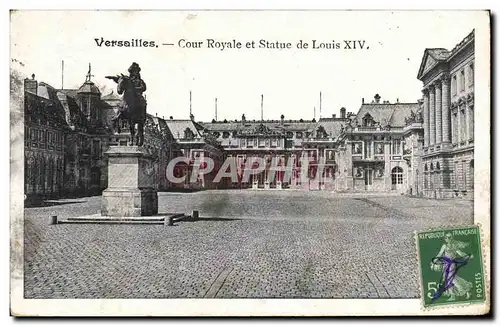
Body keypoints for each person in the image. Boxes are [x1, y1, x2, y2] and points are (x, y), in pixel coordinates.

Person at [431, 233, 473, 301]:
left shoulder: (454, 246)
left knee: (451, 279)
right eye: (446, 238)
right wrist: (434, 261)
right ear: (445, 239)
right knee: (448, 279)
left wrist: (468, 256)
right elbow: (440, 253)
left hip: (452, 264)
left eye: (449, 237)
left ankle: (465, 291)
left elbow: (460, 253)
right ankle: (454, 295)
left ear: (451, 238)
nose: (448, 239)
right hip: (446, 264)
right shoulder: (444, 246)